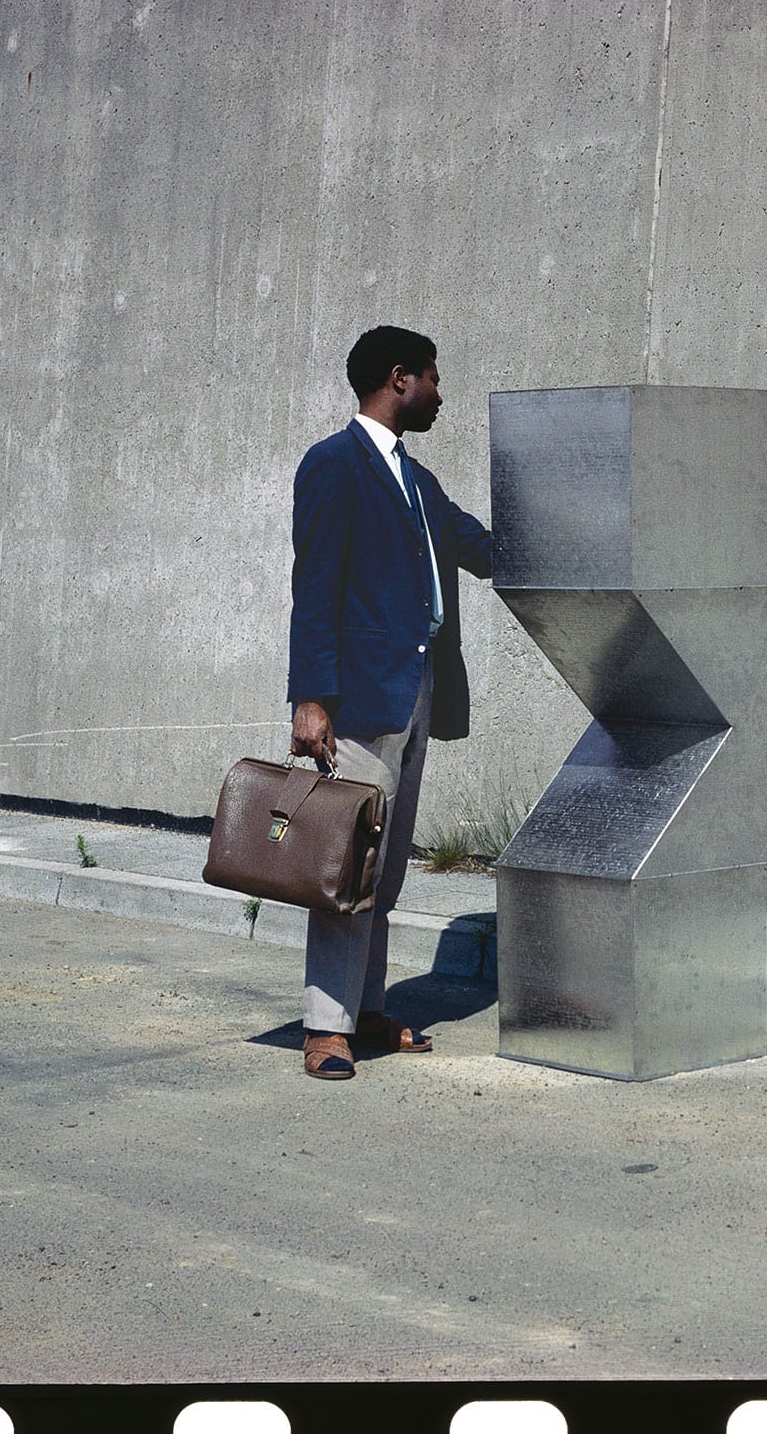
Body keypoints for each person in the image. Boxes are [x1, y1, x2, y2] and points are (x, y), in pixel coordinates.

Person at [287, 325, 492, 1080]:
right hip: (361, 696)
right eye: (435, 378)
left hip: (417, 693)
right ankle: (324, 1027)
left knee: (387, 868)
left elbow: (481, 546)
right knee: (345, 865)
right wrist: (310, 699)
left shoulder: (419, 482)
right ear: (400, 378)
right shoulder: (333, 466)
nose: (442, 393)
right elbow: (313, 591)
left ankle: (364, 1010)